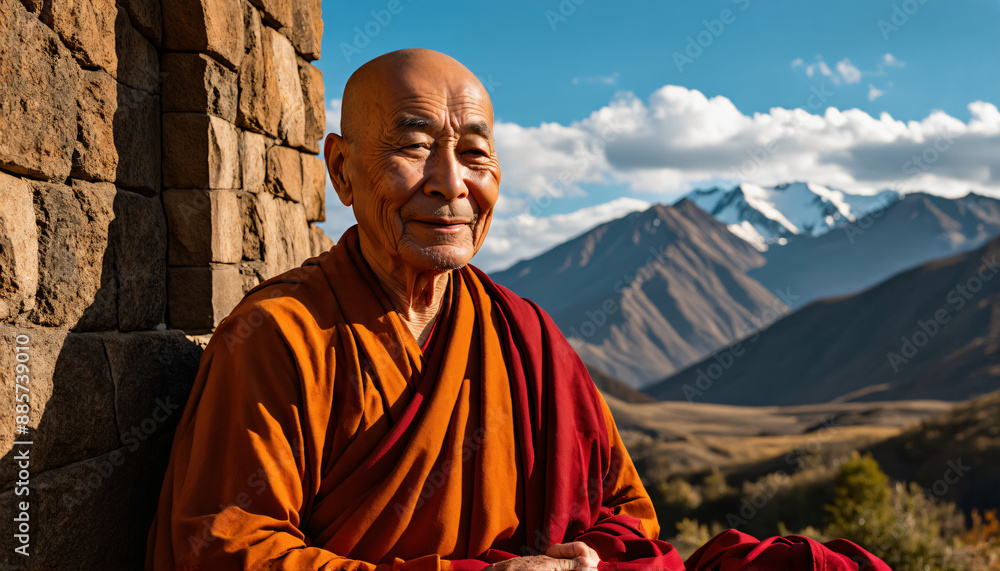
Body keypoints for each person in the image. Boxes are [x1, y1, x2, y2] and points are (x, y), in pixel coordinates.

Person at [146, 49, 890, 571]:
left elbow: (627, 512)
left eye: (473, 153)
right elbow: (226, 549)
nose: (449, 183)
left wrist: (582, 561)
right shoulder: (279, 336)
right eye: (412, 146)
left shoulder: (523, 335)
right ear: (342, 169)